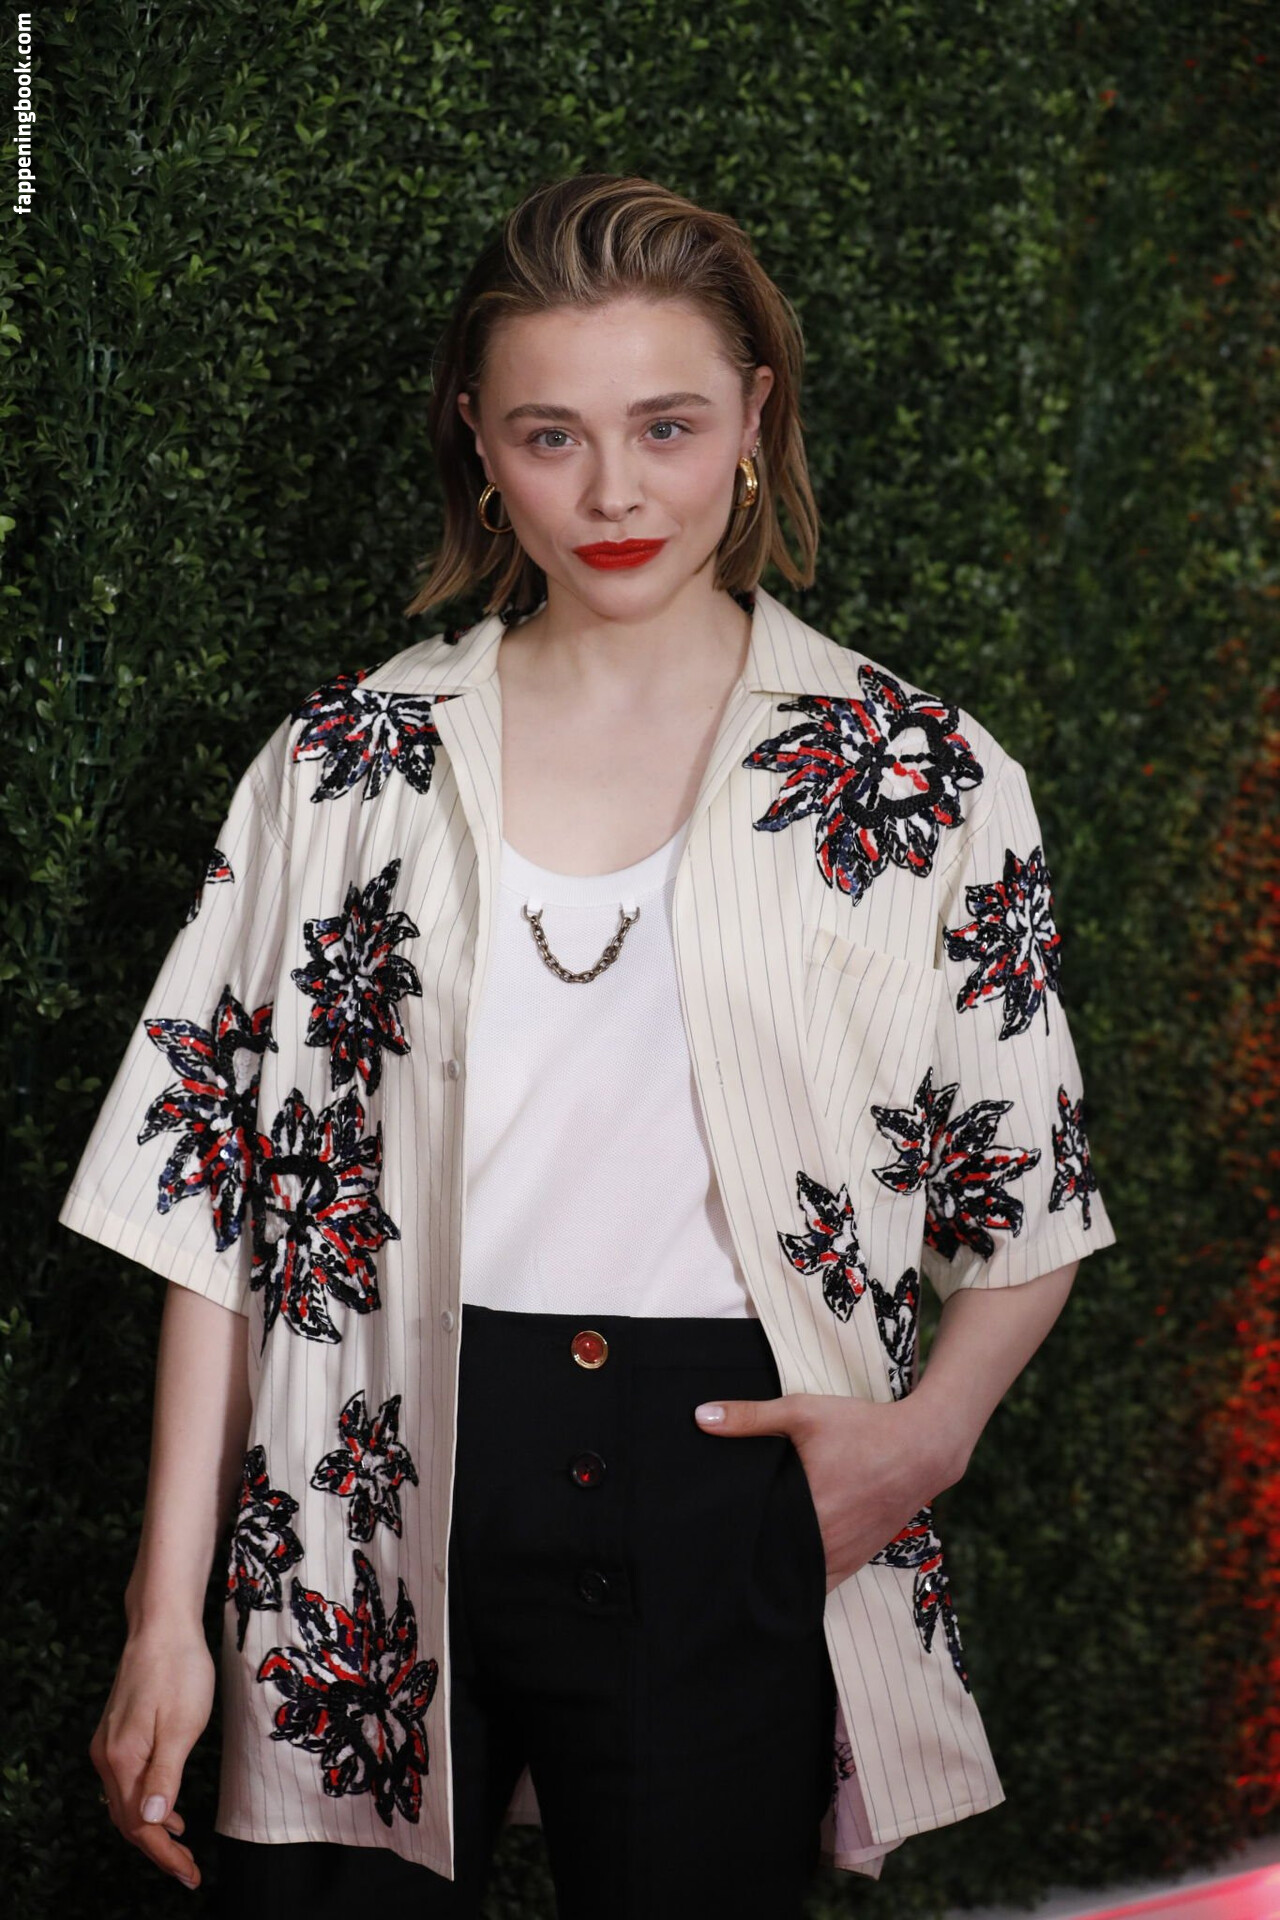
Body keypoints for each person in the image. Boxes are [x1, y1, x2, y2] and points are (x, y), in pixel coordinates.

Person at [64, 171, 1118, 1919]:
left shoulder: (918, 777)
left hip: (730, 1473)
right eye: (551, 435)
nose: (615, 492)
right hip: (362, 1467)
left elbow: (1031, 1192)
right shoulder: (345, 768)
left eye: (667, 426)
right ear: (479, 443)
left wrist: (928, 1438)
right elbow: (216, 1217)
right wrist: (163, 1614)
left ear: (755, 422)